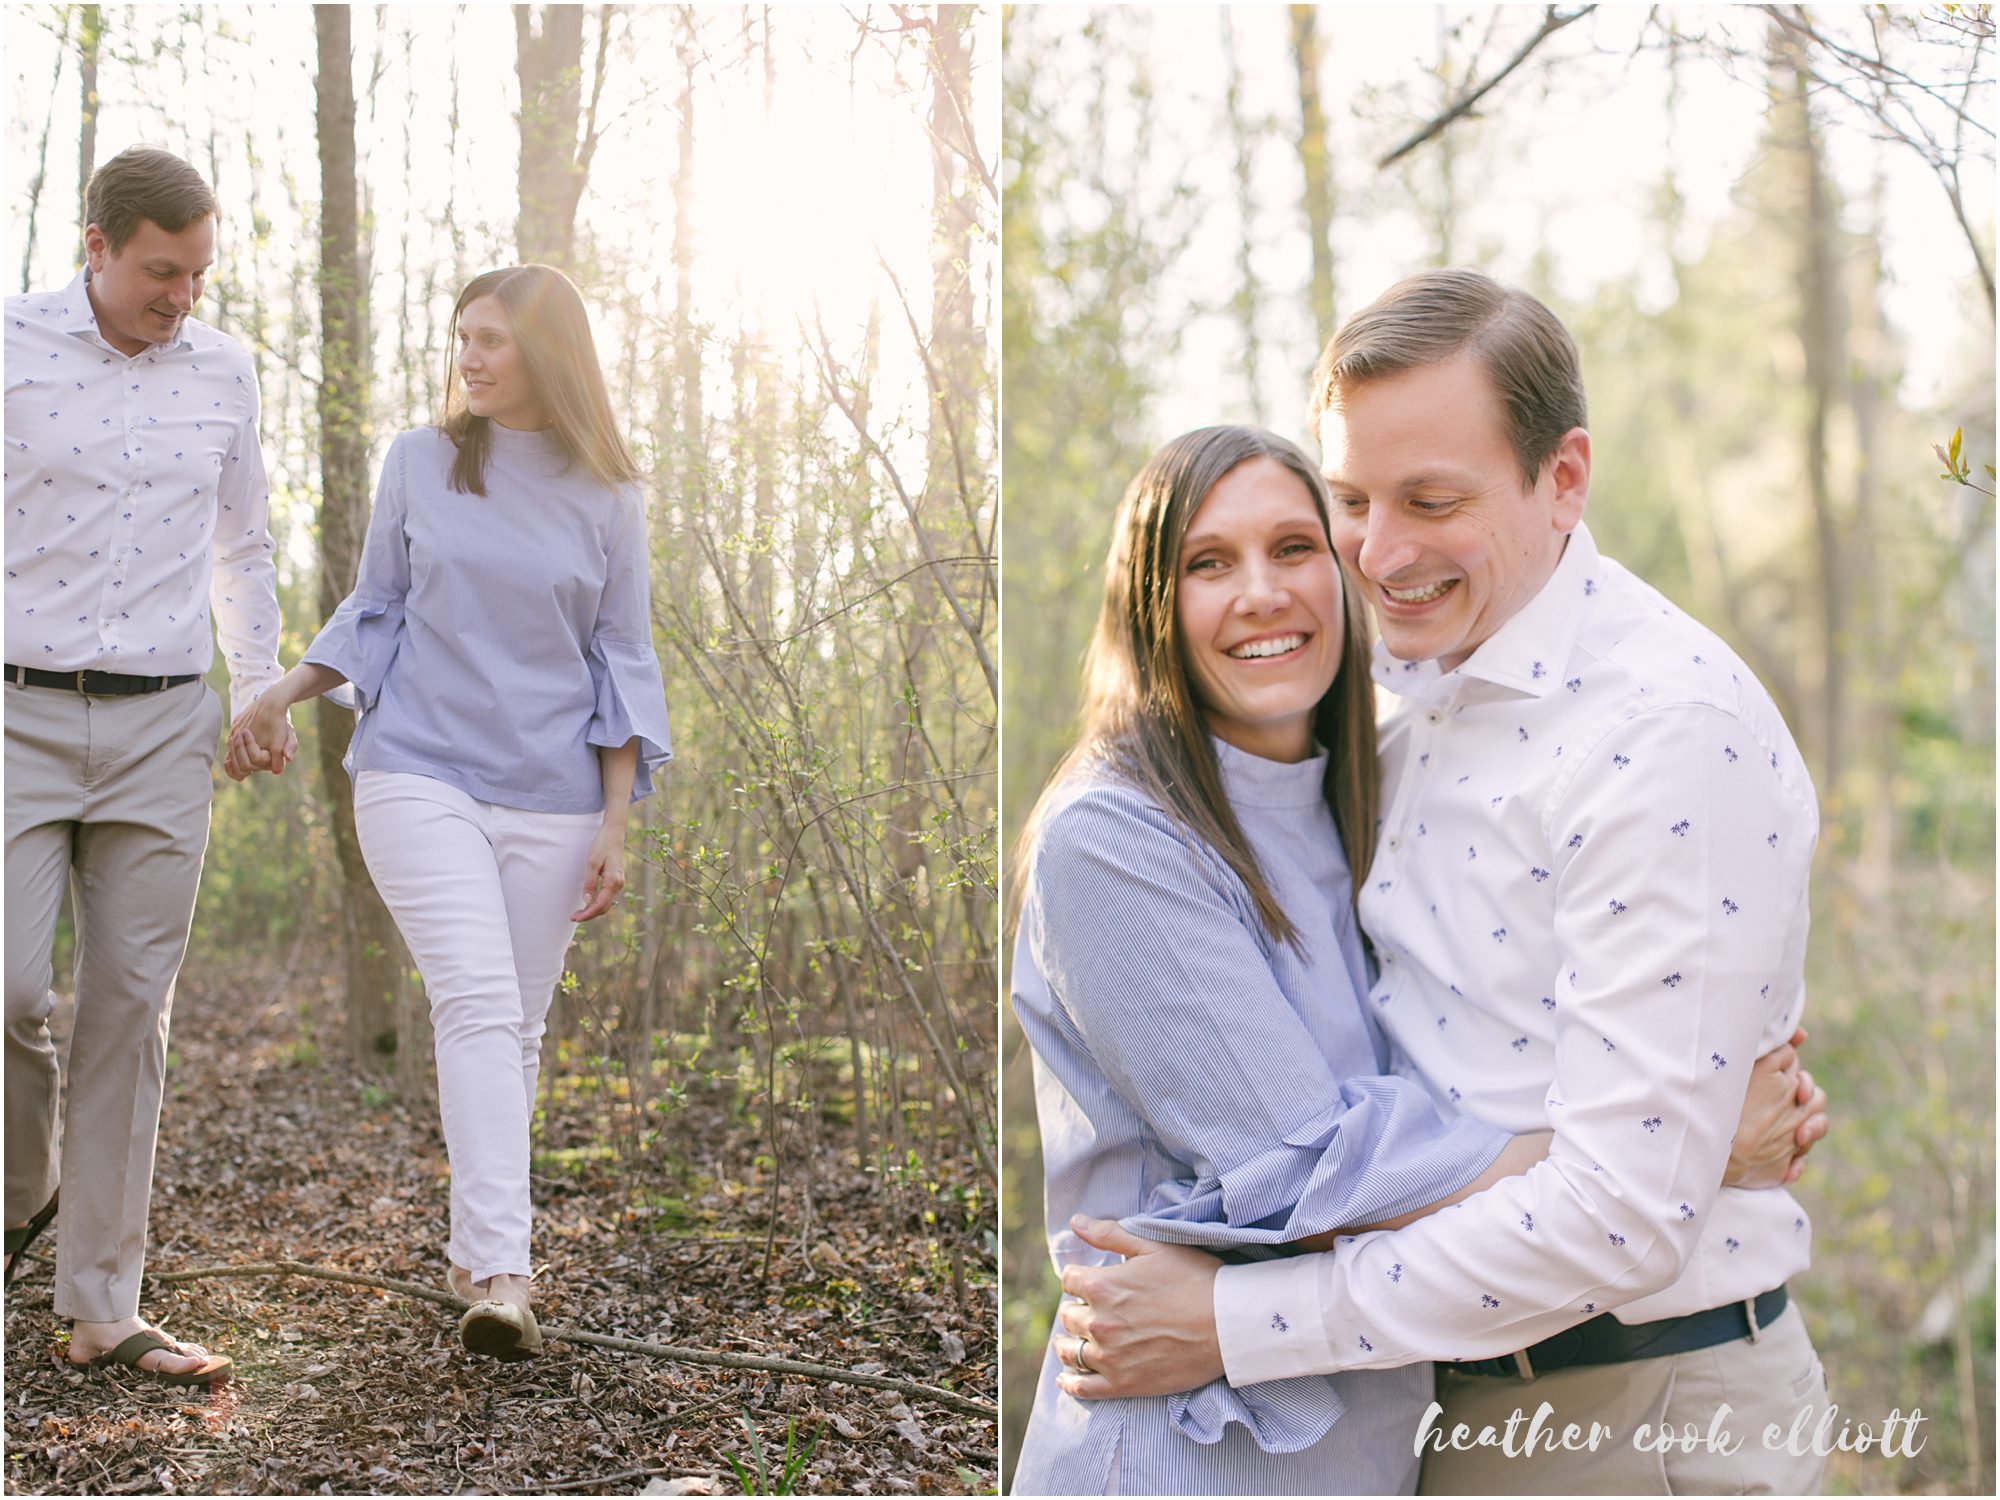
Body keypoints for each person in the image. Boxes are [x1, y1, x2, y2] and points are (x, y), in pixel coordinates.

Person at [1051, 270, 1832, 1495]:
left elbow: (1621, 1215)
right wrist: (1680, 1139)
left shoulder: (1659, 734)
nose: (1380, 552)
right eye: (1352, 501)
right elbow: (1342, 1111)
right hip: (1432, 1409)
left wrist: (1234, 1325)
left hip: (1630, 1415)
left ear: (1563, 477)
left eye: (1430, 500)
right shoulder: (1389, 708)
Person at [232, 264, 670, 1361]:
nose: (467, 358)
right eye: (459, 337)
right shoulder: (419, 463)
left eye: (490, 340)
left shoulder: (610, 496)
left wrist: (616, 820)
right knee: (476, 1002)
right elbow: (374, 607)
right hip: (417, 769)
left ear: (547, 356)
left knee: (513, 1031)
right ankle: (507, 1272)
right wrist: (281, 691)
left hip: (557, 795)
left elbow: (620, 659)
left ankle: (476, 1256)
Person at [5, 145, 293, 1387]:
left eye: (198, 273)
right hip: (13, 716)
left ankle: (102, 1305)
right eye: (161, 272)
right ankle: (28, 1188)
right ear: (97, 246)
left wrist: (261, 685)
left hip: (166, 725)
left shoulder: (224, 371)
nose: (182, 295)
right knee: (10, 992)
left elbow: (244, 544)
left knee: (132, 1008)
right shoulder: (11, 347)